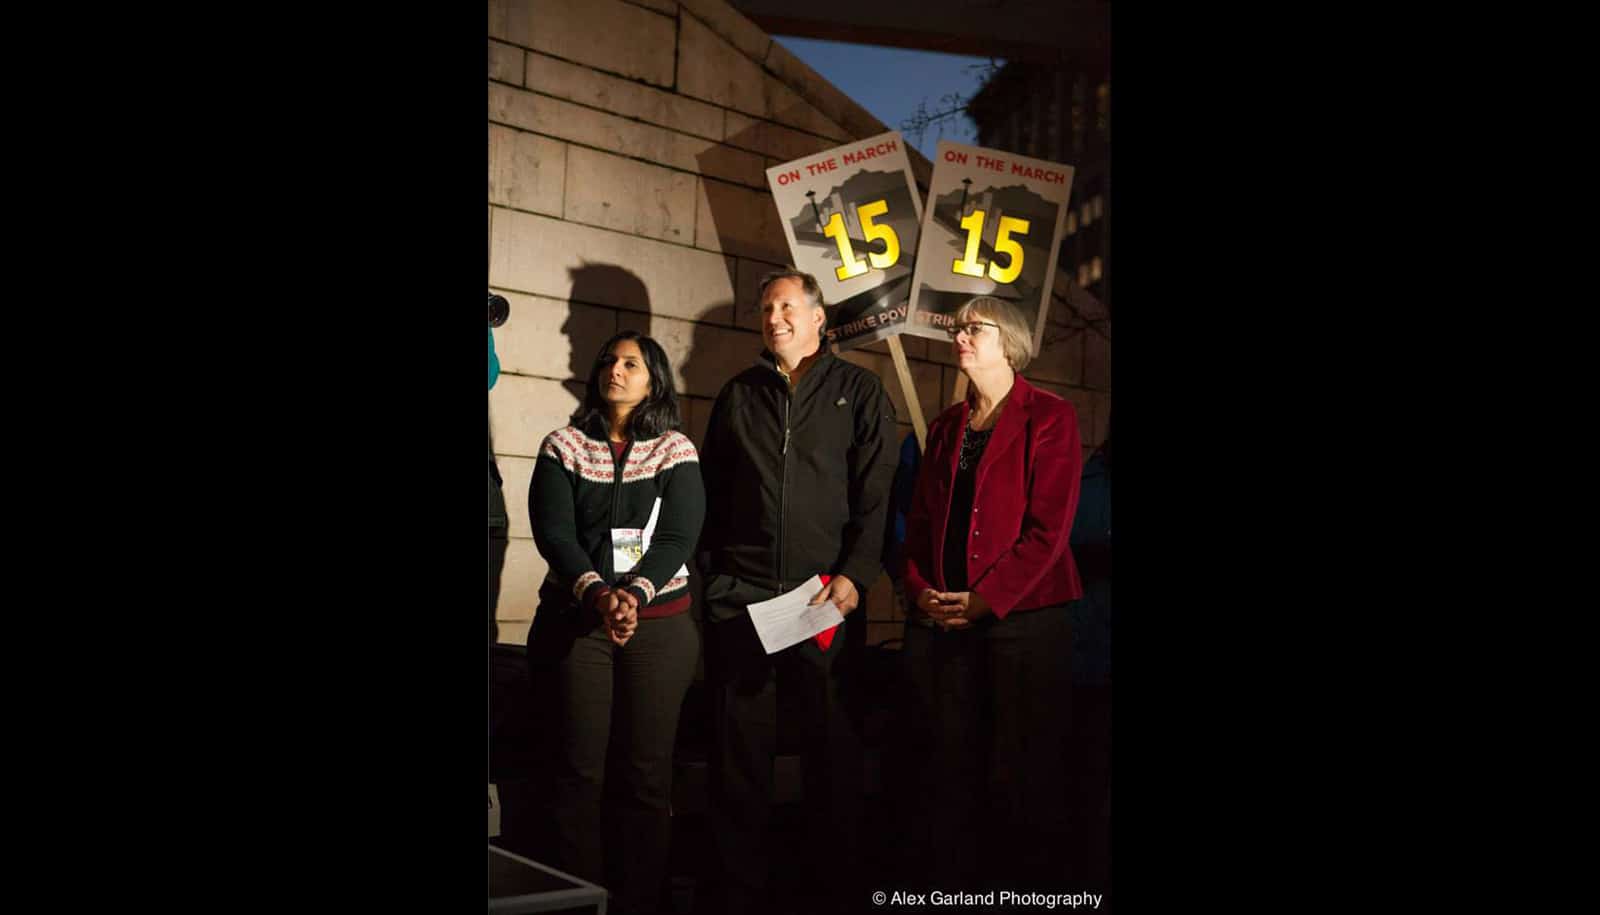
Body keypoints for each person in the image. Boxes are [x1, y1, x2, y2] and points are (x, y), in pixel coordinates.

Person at [698, 268, 898, 914]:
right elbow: (711, 497)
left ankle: (830, 896)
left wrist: (855, 576)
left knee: (831, 766)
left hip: (824, 602)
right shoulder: (737, 395)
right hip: (745, 604)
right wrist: (716, 584)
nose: (774, 317)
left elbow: (875, 499)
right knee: (737, 769)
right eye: (765, 308)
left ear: (818, 318)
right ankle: (736, 898)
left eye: (787, 306)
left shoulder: (861, 392)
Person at [898, 295, 1085, 891]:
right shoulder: (947, 425)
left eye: (975, 328)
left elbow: (1048, 531)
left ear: (1009, 339)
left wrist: (985, 600)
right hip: (949, 618)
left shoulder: (1050, 416)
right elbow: (923, 522)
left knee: (1019, 773)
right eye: (957, 328)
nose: (961, 337)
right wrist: (921, 588)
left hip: (1025, 621)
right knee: (950, 771)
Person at [527, 330, 705, 915]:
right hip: (580, 624)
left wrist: (636, 594)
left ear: (654, 377)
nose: (616, 370)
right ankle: (579, 901)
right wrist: (601, 594)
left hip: (660, 628)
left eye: (631, 363)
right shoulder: (563, 445)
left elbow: (680, 535)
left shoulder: (674, 449)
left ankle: (639, 902)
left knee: (647, 778)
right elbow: (554, 533)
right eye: (609, 360)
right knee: (578, 774)